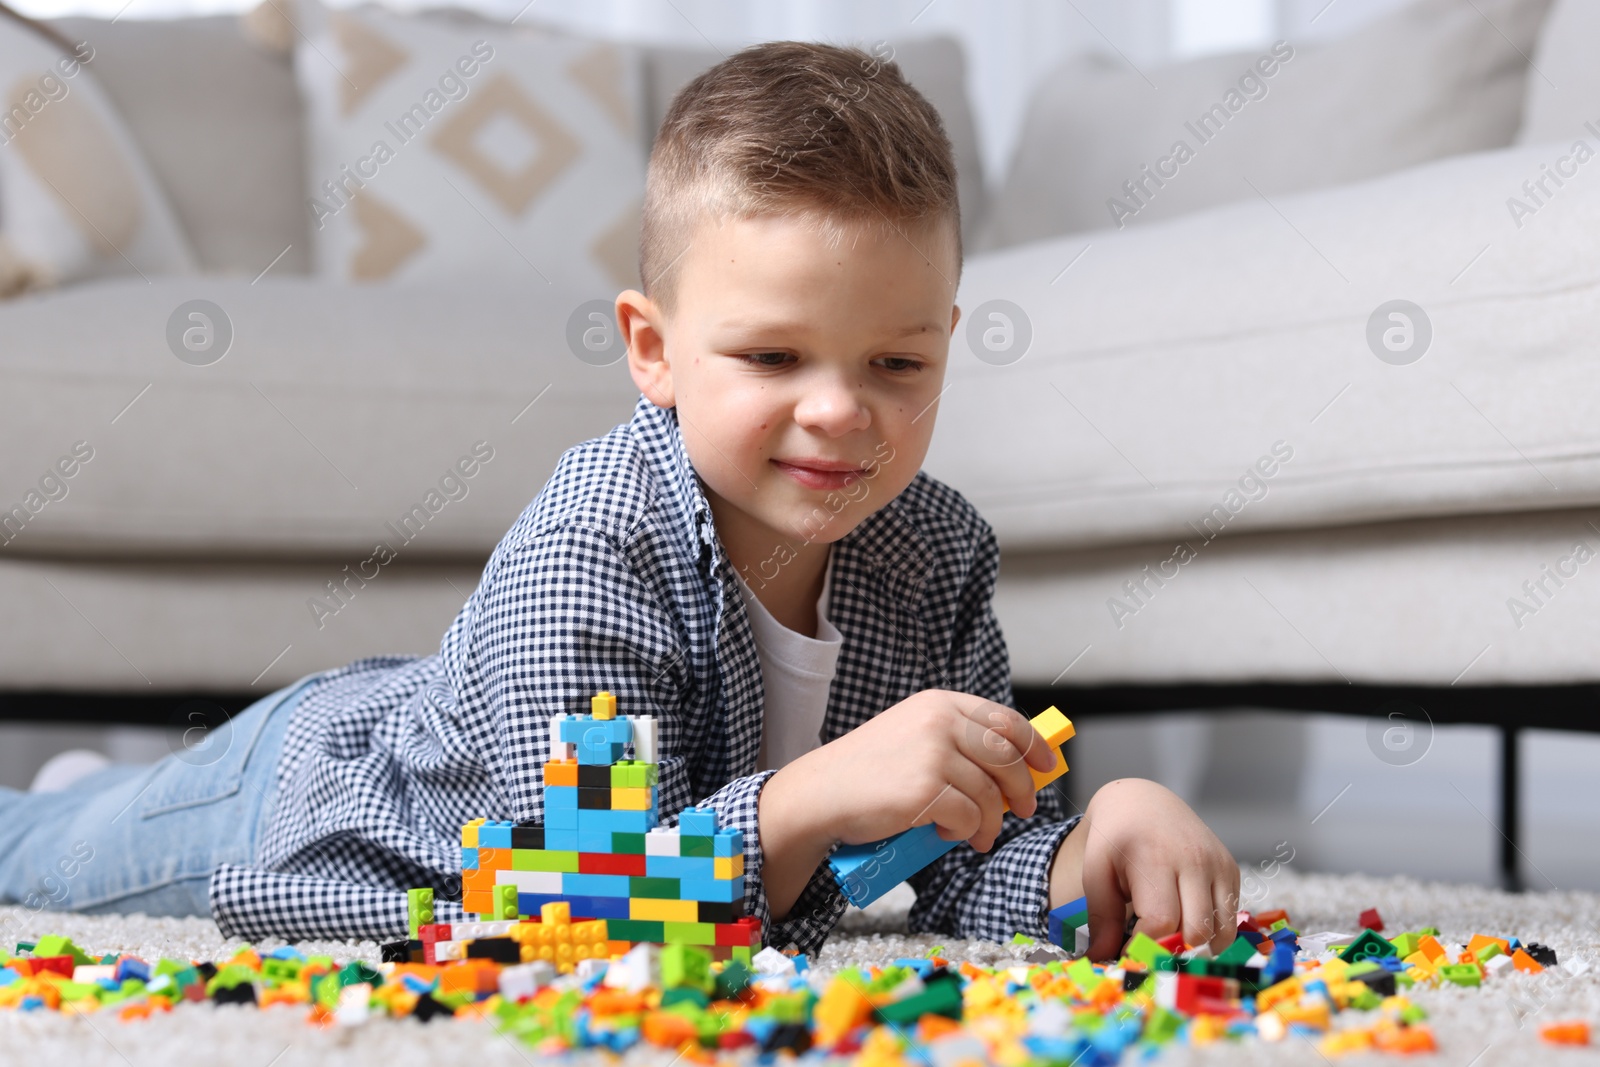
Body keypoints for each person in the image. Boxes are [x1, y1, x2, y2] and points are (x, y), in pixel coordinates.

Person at [0, 40, 1239, 961]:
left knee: (75, 817)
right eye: (770, 357)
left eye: (897, 363)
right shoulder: (599, 538)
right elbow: (571, 899)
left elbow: (966, 864)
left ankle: (81, 788)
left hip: (433, 753)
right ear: (652, 349)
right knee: (34, 861)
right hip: (313, 804)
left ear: (946, 346)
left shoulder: (936, 551)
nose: (840, 411)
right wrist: (813, 793)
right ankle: (68, 804)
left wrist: (1098, 837)